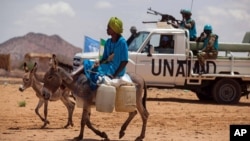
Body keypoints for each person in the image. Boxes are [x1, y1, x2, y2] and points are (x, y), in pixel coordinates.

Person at [71, 17, 128, 90]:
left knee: (96, 71)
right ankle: (73, 75)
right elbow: (105, 59)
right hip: (108, 66)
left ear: (114, 29)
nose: (107, 29)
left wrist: (114, 75)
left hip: (116, 69)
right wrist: (98, 62)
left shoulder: (122, 43)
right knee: (87, 63)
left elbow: (124, 61)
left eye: (109, 27)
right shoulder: (108, 42)